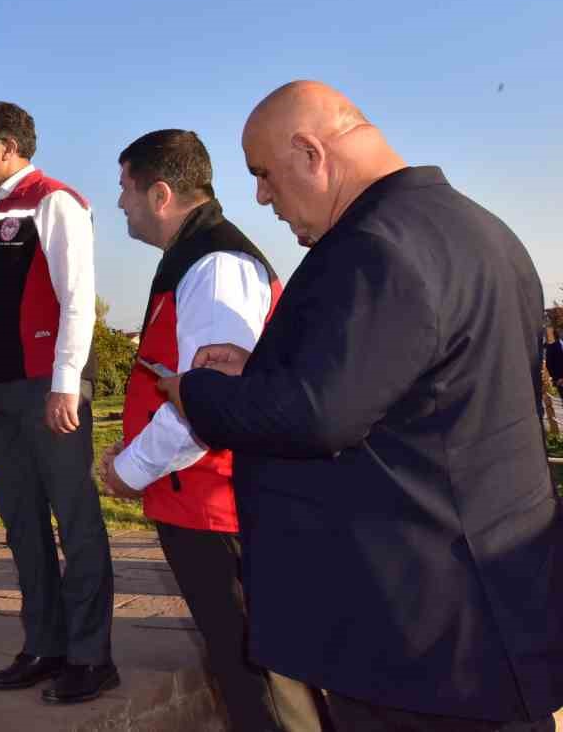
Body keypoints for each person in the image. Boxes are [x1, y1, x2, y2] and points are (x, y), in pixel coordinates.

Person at [158, 81, 563, 730]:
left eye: (264, 174)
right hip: (488, 609)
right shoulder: (482, 230)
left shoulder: (374, 247)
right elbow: (405, 386)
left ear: (311, 153)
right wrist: (260, 371)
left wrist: (199, 392)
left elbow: (317, 415)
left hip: (416, 636)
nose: (262, 196)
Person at [98, 129, 327, 731]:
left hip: (219, 504)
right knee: (247, 671)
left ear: (162, 193)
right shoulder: (197, 259)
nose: (120, 202)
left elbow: (212, 404)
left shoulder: (216, 266)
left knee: (262, 678)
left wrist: (127, 469)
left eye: (126, 188)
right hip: (203, 500)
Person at [0, 101, 117, 705]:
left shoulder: (55, 201)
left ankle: (91, 656)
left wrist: (66, 383)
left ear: (6, 144)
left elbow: (78, 297)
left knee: (75, 522)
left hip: (48, 387)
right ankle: (44, 646)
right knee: (22, 523)